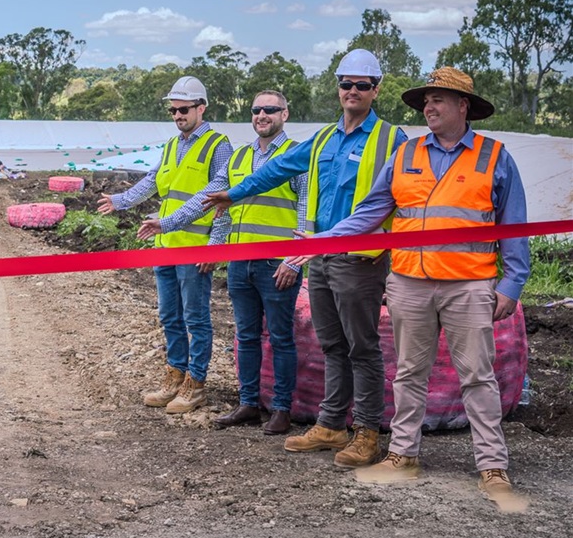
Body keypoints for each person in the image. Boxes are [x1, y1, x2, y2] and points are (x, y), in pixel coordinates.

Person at [326, 68, 530, 511]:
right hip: (409, 284)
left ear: (463, 107)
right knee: (408, 374)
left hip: (469, 286)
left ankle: (492, 466)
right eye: (425, 101)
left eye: (438, 100)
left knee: (477, 376)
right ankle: (403, 456)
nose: (428, 108)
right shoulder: (405, 153)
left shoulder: (495, 157)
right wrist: (329, 240)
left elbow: (515, 227)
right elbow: (372, 210)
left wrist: (511, 284)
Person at [205, 49, 405, 467]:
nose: (353, 91)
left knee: (362, 347)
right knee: (332, 343)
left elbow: (405, 199)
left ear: (376, 90)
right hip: (321, 257)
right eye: (346, 83)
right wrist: (233, 193)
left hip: (359, 258)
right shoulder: (323, 140)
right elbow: (275, 170)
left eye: (362, 85)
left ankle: (366, 431)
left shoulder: (391, 139)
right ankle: (332, 424)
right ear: (338, 88)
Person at [98, 76, 232, 414]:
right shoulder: (174, 145)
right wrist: (121, 200)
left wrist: (214, 246)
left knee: (196, 318)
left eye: (183, 109)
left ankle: (195, 382)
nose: (177, 115)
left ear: (201, 108)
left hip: (195, 247)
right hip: (166, 246)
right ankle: (175, 374)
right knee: (170, 316)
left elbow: (213, 198)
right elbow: (152, 181)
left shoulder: (219, 145)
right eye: (173, 110)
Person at [211, 91, 308, 436]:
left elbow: (306, 207)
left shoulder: (295, 155)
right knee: (246, 335)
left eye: (270, 109)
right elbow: (220, 205)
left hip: (276, 264)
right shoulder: (239, 157)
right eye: (256, 110)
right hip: (240, 261)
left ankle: (282, 409)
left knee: (281, 337)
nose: (262, 115)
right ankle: (249, 403)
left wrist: (294, 260)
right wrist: (214, 247)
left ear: (285, 113)